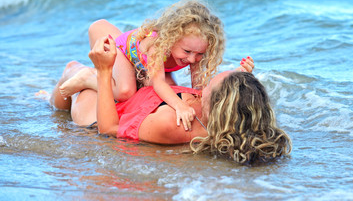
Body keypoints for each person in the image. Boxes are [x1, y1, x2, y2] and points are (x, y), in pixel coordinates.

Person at [50, 37, 292, 164]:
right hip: (144, 100)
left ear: (218, 105)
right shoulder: (231, 119)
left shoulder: (173, 125)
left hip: (107, 115)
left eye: (208, 87)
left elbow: (109, 128)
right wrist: (242, 81)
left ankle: (56, 98)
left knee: (74, 72)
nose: (202, 88)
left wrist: (103, 73)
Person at [59, 0, 226, 131]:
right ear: (172, 39)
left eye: (199, 54)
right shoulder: (157, 45)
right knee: (126, 92)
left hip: (145, 66)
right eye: (187, 52)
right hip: (125, 53)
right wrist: (180, 106)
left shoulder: (194, 51)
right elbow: (158, 82)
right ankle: (89, 77)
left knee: (170, 89)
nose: (191, 59)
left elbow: (197, 87)